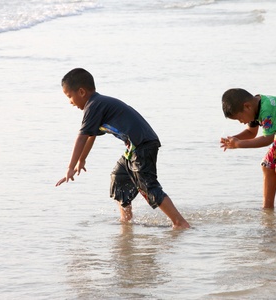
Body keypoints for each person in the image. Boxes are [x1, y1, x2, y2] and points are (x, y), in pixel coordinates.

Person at [55, 68, 190, 229]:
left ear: (82, 92)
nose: (70, 102)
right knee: (119, 177)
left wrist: (70, 167)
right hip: (135, 146)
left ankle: (180, 223)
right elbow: (91, 136)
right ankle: (126, 221)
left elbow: (81, 137)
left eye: (70, 96)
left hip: (142, 145)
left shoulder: (93, 105)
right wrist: (81, 159)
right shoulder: (97, 105)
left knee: (147, 185)